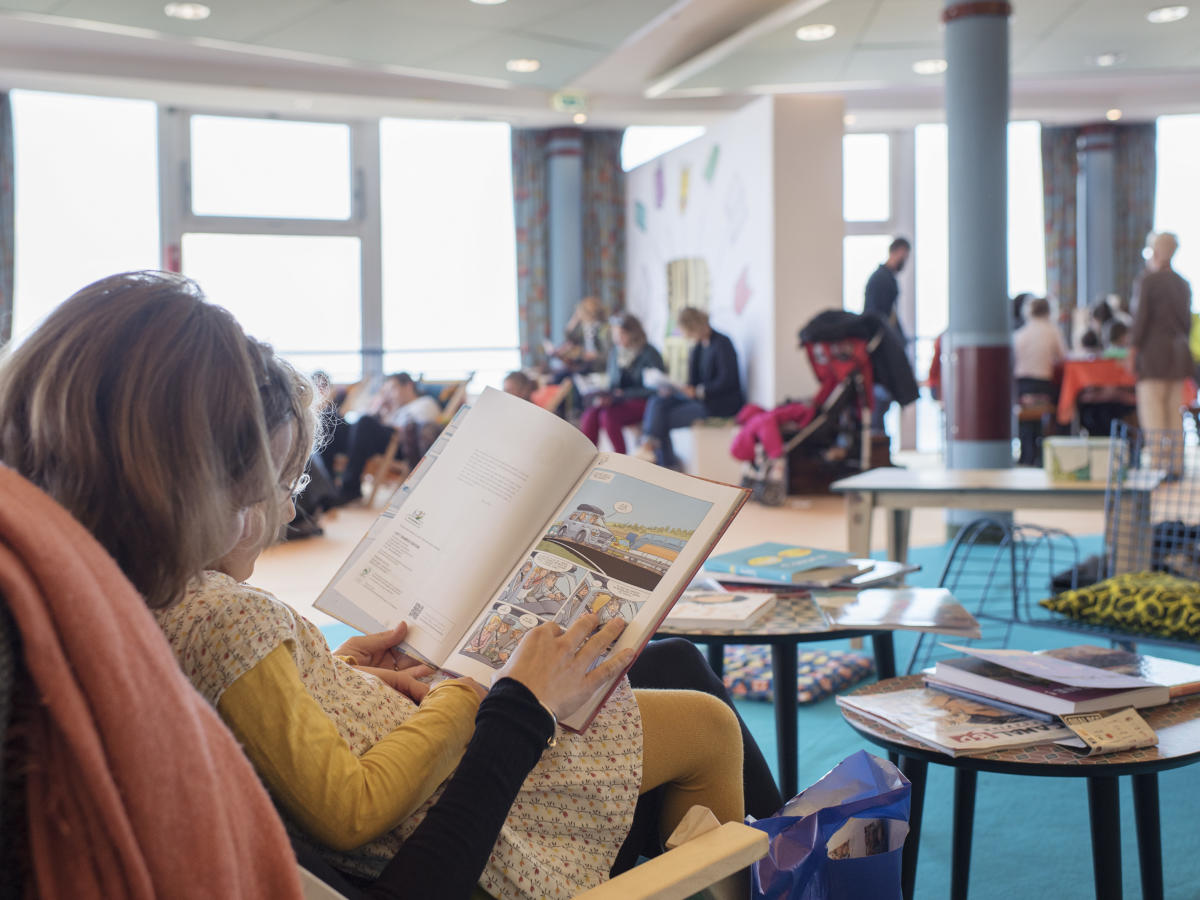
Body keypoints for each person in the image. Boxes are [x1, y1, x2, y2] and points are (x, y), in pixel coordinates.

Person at [0, 272, 747, 900]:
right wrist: (498, 695)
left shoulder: (102, 601)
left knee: (671, 664)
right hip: (451, 801)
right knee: (705, 718)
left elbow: (265, 724)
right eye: (274, 483)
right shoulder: (215, 614)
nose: (289, 508)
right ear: (194, 491)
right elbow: (352, 809)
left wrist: (331, 672)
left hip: (412, 746)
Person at [637, 307, 743, 470]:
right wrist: (678, 388)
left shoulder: (722, 343)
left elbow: (727, 380)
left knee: (662, 418)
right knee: (657, 400)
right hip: (699, 400)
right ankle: (660, 457)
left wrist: (700, 391)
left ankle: (661, 462)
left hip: (719, 404)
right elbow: (692, 382)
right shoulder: (697, 348)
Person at [1129, 232, 1193, 475]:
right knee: (1174, 413)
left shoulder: (1148, 280)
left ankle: (1157, 466)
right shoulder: (1183, 283)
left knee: (1153, 412)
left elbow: (1140, 321)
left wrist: (1133, 352)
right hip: (1178, 355)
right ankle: (1176, 465)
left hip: (1152, 356)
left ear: (1154, 252)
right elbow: (1186, 324)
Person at [334, 371, 441, 505]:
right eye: (387, 390)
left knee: (365, 422)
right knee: (332, 420)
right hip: (378, 440)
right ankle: (328, 488)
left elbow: (417, 432)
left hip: (399, 445)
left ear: (408, 386)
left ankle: (350, 489)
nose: (389, 395)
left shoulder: (425, 403)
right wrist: (379, 411)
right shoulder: (393, 407)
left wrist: (384, 417)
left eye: (393, 389)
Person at [579, 313, 665, 454]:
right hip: (619, 400)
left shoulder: (649, 353)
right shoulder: (616, 353)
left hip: (643, 401)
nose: (617, 338)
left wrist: (625, 394)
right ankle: (586, 458)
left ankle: (621, 459)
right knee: (590, 414)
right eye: (615, 334)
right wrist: (606, 396)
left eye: (622, 334)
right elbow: (613, 384)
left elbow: (657, 388)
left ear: (633, 333)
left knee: (608, 416)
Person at [863, 236, 912, 436]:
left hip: (884, 345)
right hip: (879, 349)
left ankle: (881, 447)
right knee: (881, 398)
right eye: (905, 256)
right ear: (898, 252)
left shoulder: (885, 278)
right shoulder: (881, 279)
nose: (905, 262)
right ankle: (877, 447)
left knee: (884, 399)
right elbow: (878, 316)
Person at [1013, 297, 1066, 400]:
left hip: (1020, 386)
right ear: (1049, 311)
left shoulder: (1019, 334)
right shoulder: (1053, 331)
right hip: (1043, 385)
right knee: (1063, 394)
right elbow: (1062, 358)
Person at [548, 296, 609, 377]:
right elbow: (569, 336)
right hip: (584, 363)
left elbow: (607, 355)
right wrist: (575, 318)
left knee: (562, 376)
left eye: (580, 312)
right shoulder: (586, 327)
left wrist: (590, 355)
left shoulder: (603, 329)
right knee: (558, 375)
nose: (580, 315)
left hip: (595, 366)